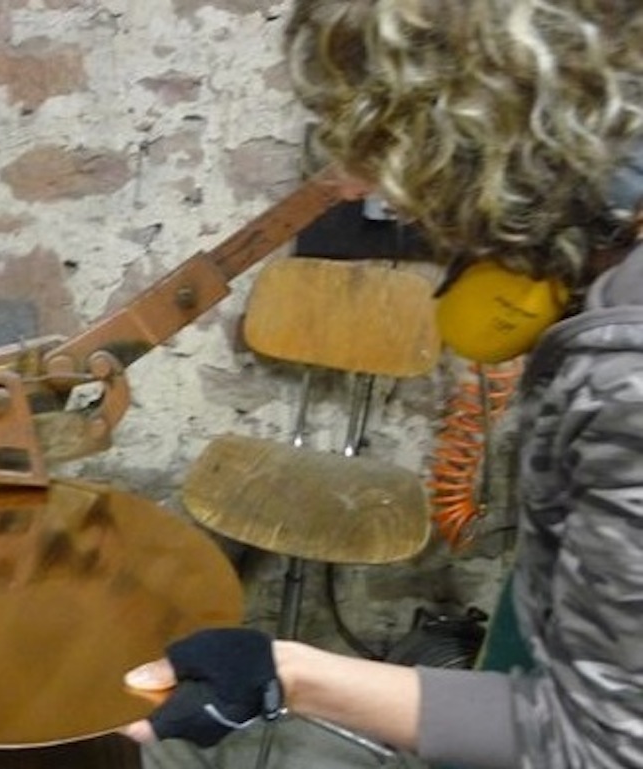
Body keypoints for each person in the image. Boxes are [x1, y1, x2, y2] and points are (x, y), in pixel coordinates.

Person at [119, 2, 643, 768]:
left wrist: (293, 676)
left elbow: (601, 743)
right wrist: (287, 672)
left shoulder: (627, 373)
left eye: (396, 144)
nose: (370, 183)